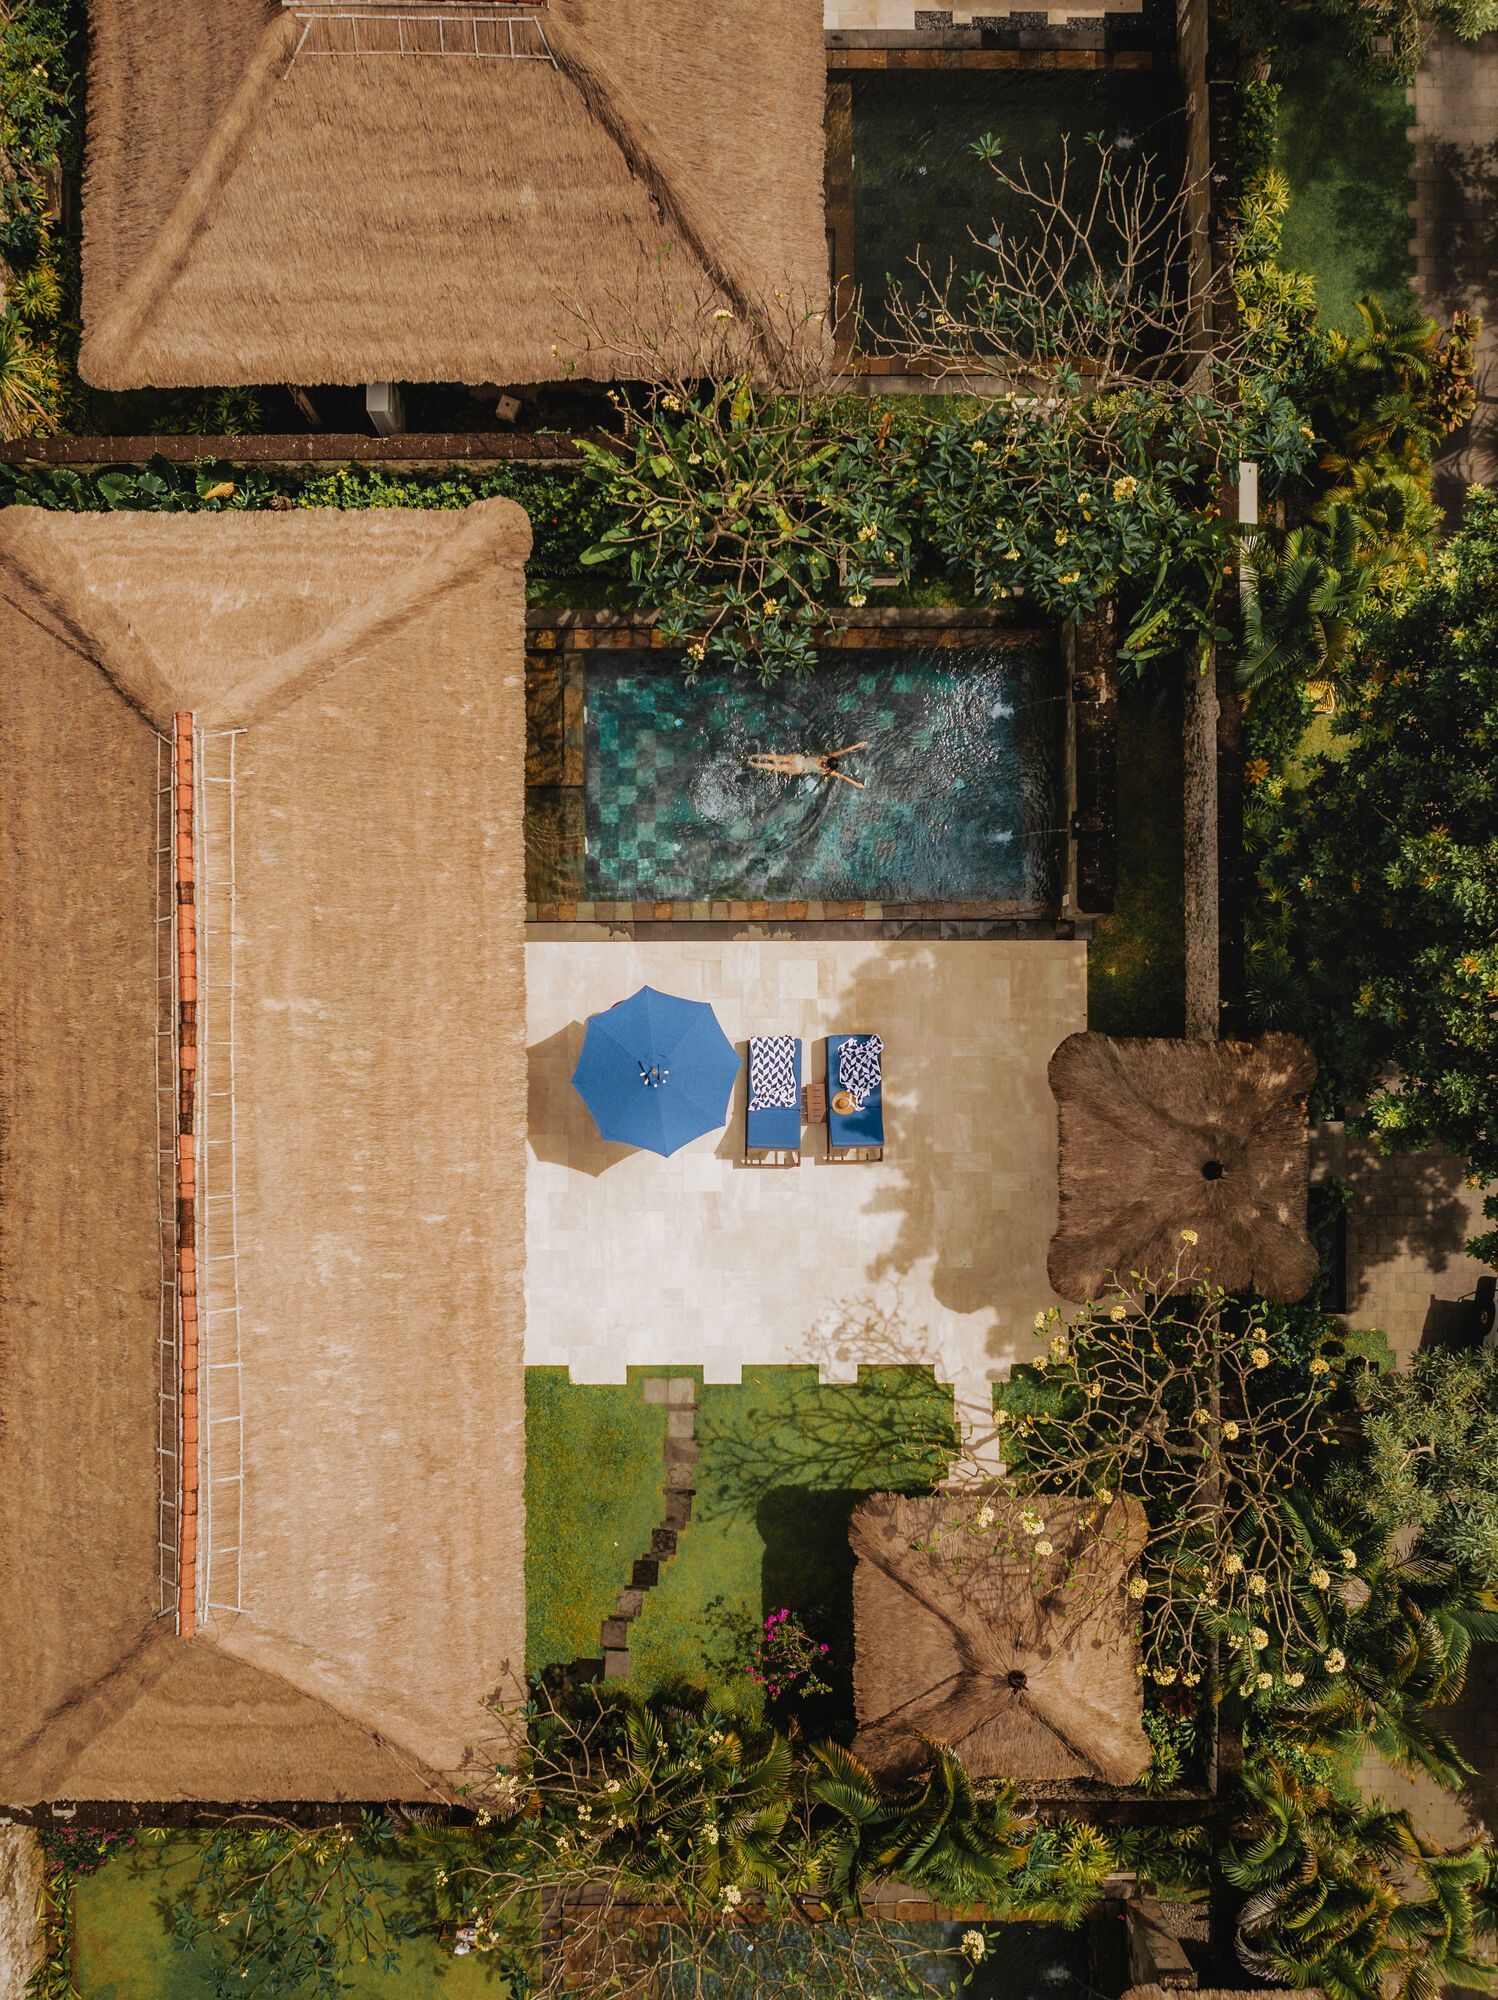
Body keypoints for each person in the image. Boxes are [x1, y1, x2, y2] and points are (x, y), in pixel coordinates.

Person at [746, 740, 868, 790]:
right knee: (775, 767)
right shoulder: (828, 772)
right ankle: (752, 764)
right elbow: (843, 777)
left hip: (799, 758)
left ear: (830, 758)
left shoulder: (825, 756)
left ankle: (753, 756)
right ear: (830, 767)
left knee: (775, 758)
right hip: (799, 768)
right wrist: (857, 784)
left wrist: (858, 745)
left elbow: (843, 751)